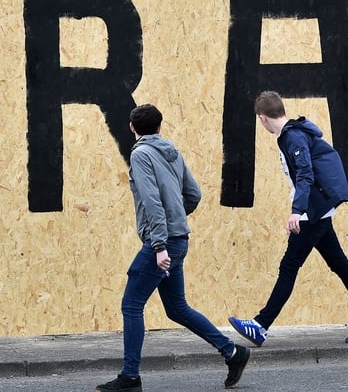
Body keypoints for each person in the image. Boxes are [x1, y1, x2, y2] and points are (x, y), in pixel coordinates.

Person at [96, 104, 250, 392]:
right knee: (177, 308)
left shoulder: (140, 155)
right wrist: (177, 220)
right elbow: (194, 194)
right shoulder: (172, 151)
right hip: (177, 240)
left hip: (163, 244)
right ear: (159, 127)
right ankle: (232, 352)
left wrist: (159, 243)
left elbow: (152, 200)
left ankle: (130, 377)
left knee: (131, 305)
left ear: (132, 128)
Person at [229, 91, 348, 346]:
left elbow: (305, 174)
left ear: (263, 118)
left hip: (311, 212)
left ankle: (260, 325)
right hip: (318, 209)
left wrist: (297, 211)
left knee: (289, 266)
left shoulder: (293, 137)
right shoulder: (293, 133)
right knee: (340, 265)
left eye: (260, 121)